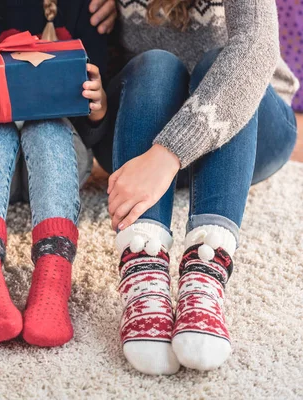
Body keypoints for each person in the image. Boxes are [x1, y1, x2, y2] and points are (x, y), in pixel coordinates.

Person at [87, 0, 299, 375]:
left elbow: (257, 45)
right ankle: (143, 266)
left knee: (221, 61)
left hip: (252, 130)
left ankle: (206, 269)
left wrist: (168, 154)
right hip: (145, 119)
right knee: (156, 63)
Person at [0, 0, 109, 347]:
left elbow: (94, 134)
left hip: (55, 158)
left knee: (46, 122)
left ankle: (53, 278)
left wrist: (98, 104)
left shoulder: (79, 6)